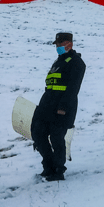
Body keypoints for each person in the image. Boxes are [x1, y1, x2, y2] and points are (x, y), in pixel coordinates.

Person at [31, 32, 86, 181]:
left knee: (56, 138)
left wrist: (63, 107)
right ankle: (48, 166)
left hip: (62, 108)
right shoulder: (58, 62)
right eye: (57, 45)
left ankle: (58, 170)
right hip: (47, 105)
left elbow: (73, 88)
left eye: (61, 44)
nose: (58, 47)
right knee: (38, 133)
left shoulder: (76, 62)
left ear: (70, 44)